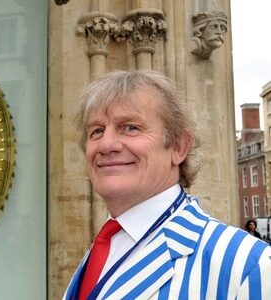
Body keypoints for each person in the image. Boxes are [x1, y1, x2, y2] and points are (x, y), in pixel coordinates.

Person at [63, 70, 271, 299]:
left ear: (178, 147)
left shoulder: (247, 266)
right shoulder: (103, 247)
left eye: (131, 127)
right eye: (97, 131)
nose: (106, 144)